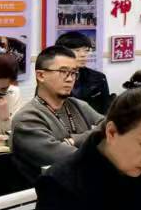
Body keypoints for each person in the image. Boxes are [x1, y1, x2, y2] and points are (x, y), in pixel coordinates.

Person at [11, 45, 103, 180]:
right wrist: (96, 138)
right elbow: (71, 159)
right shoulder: (27, 119)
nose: (70, 79)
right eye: (63, 72)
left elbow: (111, 128)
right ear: (41, 75)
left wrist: (75, 140)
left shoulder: (78, 105)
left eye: (74, 73)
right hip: (50, 189)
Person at [55, 31, 111, 111]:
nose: (83, 55)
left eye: (86, 50)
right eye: (77, 50)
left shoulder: (99, 78)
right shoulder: (50, 78)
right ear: (61, 52)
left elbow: (106, 110)